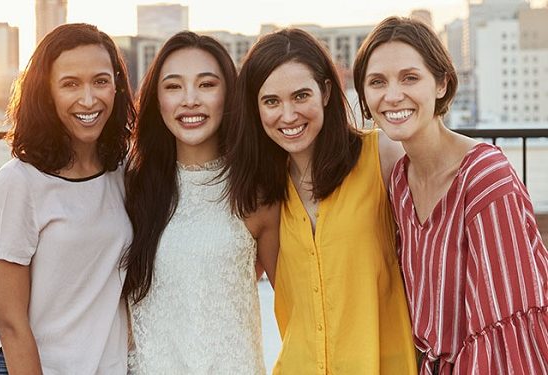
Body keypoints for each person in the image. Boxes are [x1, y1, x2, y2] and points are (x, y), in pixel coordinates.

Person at [353, 16, 548, 374]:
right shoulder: (399, 180)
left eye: (410, 78)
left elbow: (509, 330)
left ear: (441, 84)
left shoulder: (485, 178)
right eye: (377, 82)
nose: (392, 95)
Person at [224, 27, 417, 374]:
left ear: (326, 91)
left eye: (300, 96)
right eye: (271, 101)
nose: (288, 115)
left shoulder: (382, 157)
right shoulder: (263, 195)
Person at [0, 23, 135, 374]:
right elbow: (10, 321)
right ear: (45, 93)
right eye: (70, 84)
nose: (89, 99)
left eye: (100, 81)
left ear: (116, 86)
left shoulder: (123, 172)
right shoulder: (18, 182)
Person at [122, 31, 279, 374]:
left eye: (207, 85)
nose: (190, 100)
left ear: (229, 94)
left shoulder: (256, 192)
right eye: (174, 86)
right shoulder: (131, 188)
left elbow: (298, 311)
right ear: (157, 98)